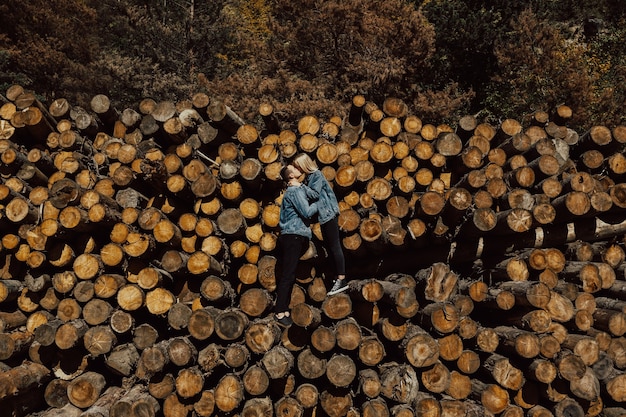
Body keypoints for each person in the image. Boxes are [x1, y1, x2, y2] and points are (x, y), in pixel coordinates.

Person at [292, 153, 348, 295]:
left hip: (328, 214)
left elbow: (315, 194)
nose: (296, 169)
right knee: (330, 247)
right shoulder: (309, 178)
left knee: (335, 246)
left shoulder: (316, 175)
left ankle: (342, 279)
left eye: (297, 166)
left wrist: (299, 185)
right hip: (324, 216)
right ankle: (337, 278)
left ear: (303, 165)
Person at [274, 164, 319, 327]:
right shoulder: (293, 192)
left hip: (295, 236)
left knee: (290, 274)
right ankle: (279, 312)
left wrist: (302, 185)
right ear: (291, 175)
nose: (300, 168)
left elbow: (313, 193)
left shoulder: (297, 189)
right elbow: (307, 212)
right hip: (292, 236)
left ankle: (284, 309)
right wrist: (319, 204)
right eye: (295, 168)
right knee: (288, 274)